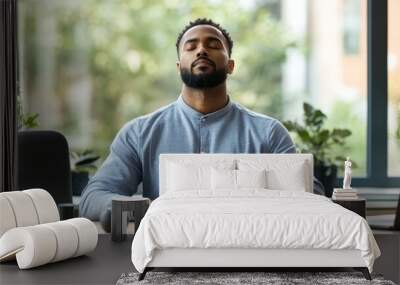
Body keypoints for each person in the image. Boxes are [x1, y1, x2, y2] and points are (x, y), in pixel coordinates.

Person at [79, 18, 324, 223]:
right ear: (178, 66)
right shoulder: (139, 133)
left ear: (230, 65)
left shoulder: (269, 133)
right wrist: (146, 208)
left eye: (213, 44)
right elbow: (94, 197)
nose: (201, 50)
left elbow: (310, 193)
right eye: (191, 46)